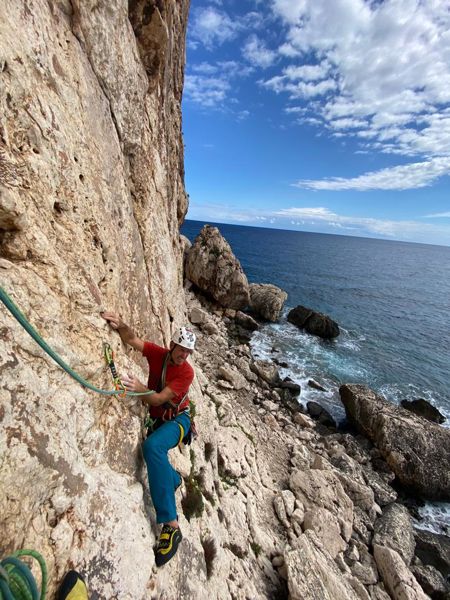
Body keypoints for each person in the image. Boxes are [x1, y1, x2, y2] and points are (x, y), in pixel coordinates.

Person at [101, 312, 195, 567]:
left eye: (188, 352)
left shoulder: (186, 373)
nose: (184, 355)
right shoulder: (160, 354)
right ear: (172, 345)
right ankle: (173, 479)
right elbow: (133, 340)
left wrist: (140, 387)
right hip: (160, 420)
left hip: (178, 421)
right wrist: (122, 325)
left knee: (153, 447)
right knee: (155, 454)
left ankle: (171, 524)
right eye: (181, 349)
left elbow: (157, 399)